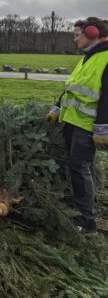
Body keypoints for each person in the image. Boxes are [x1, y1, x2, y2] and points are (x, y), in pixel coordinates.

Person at [50, 17, 108, 234]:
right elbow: (72, 87)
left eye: (77, 35)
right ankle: (84, 208)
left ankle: (87, 222)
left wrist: (102, 129)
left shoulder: (105, 58)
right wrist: (57, 108)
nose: (75, 39)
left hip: (86, 125)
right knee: (83, 167)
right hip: (72, 121)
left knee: (80, 167)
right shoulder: (88, 57)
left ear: (92, 33)